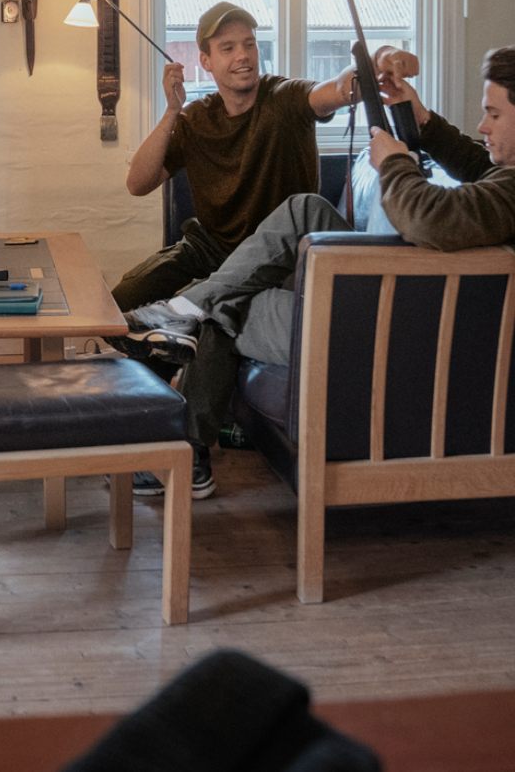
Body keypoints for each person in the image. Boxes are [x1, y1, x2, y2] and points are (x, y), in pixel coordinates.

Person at [120, 45, 515, 496]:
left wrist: (394, 162)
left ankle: (187, 445)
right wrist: (420, 118)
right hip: (396, 305)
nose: (482, 126)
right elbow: (477, 166)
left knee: (230, 300)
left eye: (493, 114)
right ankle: (189, 307)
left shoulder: (510, 191)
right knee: (305, 209)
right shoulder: (504, 180)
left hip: (389, 334)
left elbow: (429, 217)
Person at [109, 0, 416, 498]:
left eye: (249, 44)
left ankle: (187, 449)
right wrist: (171, 111)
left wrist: (373, 64)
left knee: (217, 315)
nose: (243, 56)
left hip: (271, 261)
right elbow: (137, 183)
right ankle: (134, 417)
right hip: (209, 245)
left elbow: (335, 90)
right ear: (205, 60)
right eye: (228, 47)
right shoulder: (197, 118)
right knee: (123, 299)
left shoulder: (283, 98)